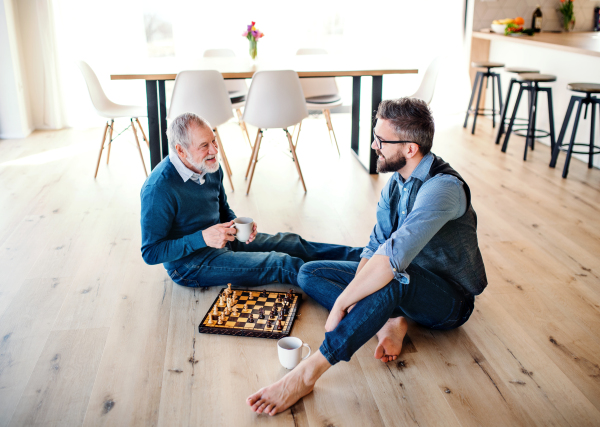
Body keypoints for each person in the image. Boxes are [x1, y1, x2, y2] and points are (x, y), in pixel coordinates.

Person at [247, 97, 487, 416]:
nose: (373, 145)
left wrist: (344, 303)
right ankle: (390, 317)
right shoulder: (398, 181)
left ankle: (307, 373)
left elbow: (391, 259)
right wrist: (359, 292)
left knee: (394, 279)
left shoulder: (442, 189)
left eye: (380, 140)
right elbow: (375, 247)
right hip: (403, 276)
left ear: (410, 148)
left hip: (449, 301)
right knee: (310, 273)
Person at [140, 112, 361, 288]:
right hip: (189, 264)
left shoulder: (209, 166)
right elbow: (151, 252)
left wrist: (237, 224)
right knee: (282, 264)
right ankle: (361, 289)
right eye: (204, 146)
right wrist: (202, 238)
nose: (214, 150)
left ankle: (368, 258)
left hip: (225, 238)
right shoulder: (158, 189)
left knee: (293, 243)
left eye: (214, 141)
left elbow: (222, 208)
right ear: (181, 150)